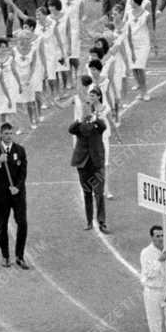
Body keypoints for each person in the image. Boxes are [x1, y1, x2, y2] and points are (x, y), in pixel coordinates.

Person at [0, 121, 29, 268]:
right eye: (5, 134)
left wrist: (17, 187)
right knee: (2, 226)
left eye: (10, 133)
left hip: (17, 194)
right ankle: (5, 256)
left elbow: (23, 173)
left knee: (22, 223)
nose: (9, 136)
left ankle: (20, 256)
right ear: (1, 135)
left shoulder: (20, 150)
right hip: (1, 195)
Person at [69, 97, 109, 233]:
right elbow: (71, 129)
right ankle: (89, 221)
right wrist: (80, 119)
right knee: (87, 193)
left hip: (96, 164)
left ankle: (102, 222)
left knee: (99, 194)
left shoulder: (98, 125)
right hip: (83, 164)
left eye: (87, 109)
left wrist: (95, 118)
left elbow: (103, 126)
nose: (85, 111)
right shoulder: (79, 126)